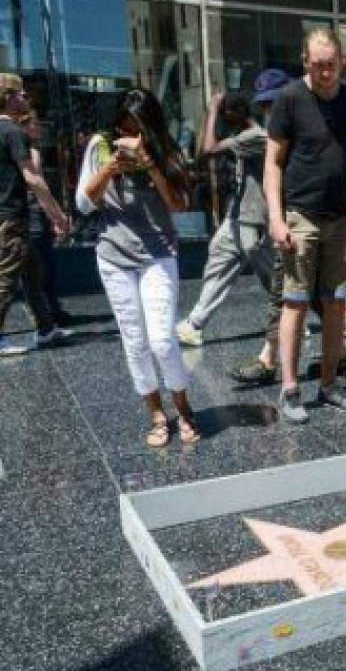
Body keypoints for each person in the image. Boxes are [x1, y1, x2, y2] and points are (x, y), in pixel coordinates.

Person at [266, 28, 346, 424]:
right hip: (301, 216)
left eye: (331, 65)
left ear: (341, 62)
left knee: (336, 303)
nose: (325, 72)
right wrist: (276, 218)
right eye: (317, 65)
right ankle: (289, 389)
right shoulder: (290, 99)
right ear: (305, 62)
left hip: (343, 219)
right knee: (295, 303)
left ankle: (330, 384)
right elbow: (273, 163)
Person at [75, 88, 197, 446]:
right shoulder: (99, 146)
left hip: (158, 253)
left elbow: (178, 205)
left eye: (138, 128)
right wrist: (112, 166)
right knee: (135, 341)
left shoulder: (165, 149)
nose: (129, 135)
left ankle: (183, 407)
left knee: (161, 340)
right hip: (114, 256)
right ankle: (156, 414)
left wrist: (150, 164)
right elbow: (83, 204)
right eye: (124, 127)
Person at [223, 69, 302, 386]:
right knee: (282, 294)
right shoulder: (270, 137)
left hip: (314, 220)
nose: (271, 111)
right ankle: (269, 358)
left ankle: (336, 355)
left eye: (275, 103)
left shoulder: (303, 128)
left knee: (322, 295)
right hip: (288, 225)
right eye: (266, 106)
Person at [176, 91, 271, 347]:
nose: (224, 122)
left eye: (227, 116)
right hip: (238, 216)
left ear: (240, 113)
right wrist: (209, 113)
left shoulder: (256, 137)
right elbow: (199, 154)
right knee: (218, 261)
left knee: (271, 274)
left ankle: (292, 317)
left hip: (255, 218)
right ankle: (195, 323)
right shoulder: (240, 135)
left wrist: (214, 108)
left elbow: (208, 149)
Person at [0, 73, 71, 356]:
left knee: (31, 273)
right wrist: (57, 215)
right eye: (20, 95)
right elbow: (33, 178)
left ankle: (46, 328)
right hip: (10, 218)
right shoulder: (12, 132)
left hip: (8, 218)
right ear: (7, 98)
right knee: (5, 279)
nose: (25, 99)